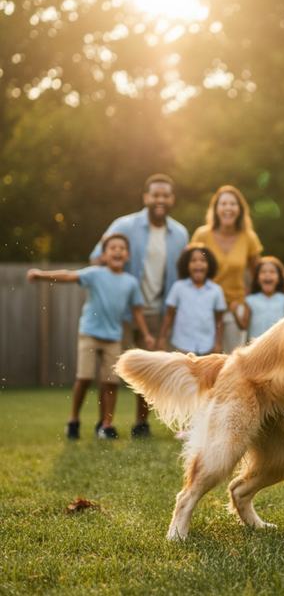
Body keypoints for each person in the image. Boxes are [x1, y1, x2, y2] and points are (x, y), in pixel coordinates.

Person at [27, 233, 155, 440]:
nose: (118, 251)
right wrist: (41, 275)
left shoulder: (131, 282)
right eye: (113, 248)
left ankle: (106, 424)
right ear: (103, 255)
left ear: (128, 256)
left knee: (112, 381)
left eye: (122, 248)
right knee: (85, 377)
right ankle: (73, 420)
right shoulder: (95, 274)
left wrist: (147, 334)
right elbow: (68, 275)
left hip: (113, 337)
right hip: (90, 334)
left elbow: (137, 310)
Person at [90, 174, 189, 438]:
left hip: (156, 313)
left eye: (165, 195)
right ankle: (105, 424)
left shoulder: (180, 234)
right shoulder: (124, 225)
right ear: (146, 198)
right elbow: (96, 257)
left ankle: (141, 424)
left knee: (149, 370)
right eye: (155, 195)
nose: (160, 200)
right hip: (121, 312)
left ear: (171, 200)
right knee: (110, 369)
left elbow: (182, 274)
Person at [190, 186, 263, 353]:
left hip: (235, 308)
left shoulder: (248, 237)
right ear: (216, 209)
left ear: (240, 210)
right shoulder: (202, 235)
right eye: (223, 204)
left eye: (233, 204)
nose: (228, 208)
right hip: (205, 307)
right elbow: (191, 271)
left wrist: (249, 306)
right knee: (204, 360)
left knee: (232, 360)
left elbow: (256, 275)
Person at [157, 243, 226, 355]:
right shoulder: (178, 287)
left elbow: (219, 320)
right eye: (193, 260)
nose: (198, 263)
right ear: (186, 265)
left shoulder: (216, 290)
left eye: (203, 260)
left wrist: (217, 343)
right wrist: (162, 337)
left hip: (207, 345)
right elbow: (169, 314)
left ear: (209, 265)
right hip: (182, 344)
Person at [230, 256, 284, 341]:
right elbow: (244, 326)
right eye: (263, 272)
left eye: (272, 272)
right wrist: (235, 312)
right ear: (257, 278)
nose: (267, 274)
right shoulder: (251, 300)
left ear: (279, 278)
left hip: (278, 345)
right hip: (256, 347)